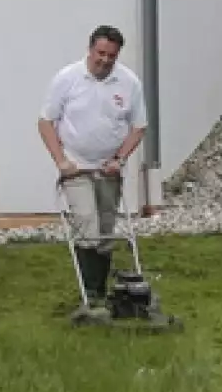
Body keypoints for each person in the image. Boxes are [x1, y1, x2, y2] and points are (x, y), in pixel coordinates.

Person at [37, 25, 147, 319]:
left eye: (111, 55)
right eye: (101, 53)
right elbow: (46, 122)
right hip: (76, 167)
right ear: (90, 49)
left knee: (107, 229)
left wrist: (120, 159)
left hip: (109, 167)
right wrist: (61, 161)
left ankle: (103, 288)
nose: (105, 60)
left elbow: (139, 127)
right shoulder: (67, 79)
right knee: (87, 222)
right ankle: (91, 292)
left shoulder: (128, 83)